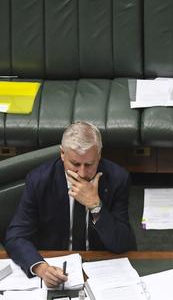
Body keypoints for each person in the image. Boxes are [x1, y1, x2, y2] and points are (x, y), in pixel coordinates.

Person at [4, 121, 137, 287]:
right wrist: (41, 268)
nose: (82, 173)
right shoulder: (39, 181)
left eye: (89, 164)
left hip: (101, 265)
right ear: (62, 154)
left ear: (99, 155)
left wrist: (96, 206)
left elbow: (122, 243)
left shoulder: (117, 178)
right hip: (56, 263)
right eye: (75, 164)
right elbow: (16, 236)